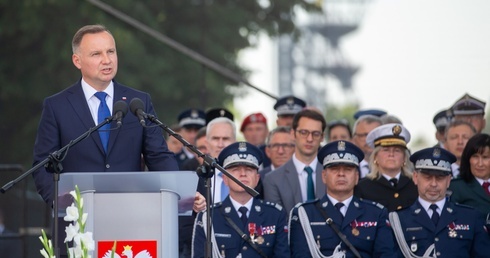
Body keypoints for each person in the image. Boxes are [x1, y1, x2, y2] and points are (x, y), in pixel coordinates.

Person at [32, 24, 179, 205]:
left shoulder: (138, 102)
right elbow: (42, 165)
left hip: (130, 211)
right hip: (78, 216)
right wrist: (61, 203)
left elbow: (159, 156)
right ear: (77, 61)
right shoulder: (57, 106)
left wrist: (180, 192)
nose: (107, 60)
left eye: (111, 51)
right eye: (96, 54)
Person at [289, 140, 397, 257]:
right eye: (334, 169)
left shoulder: (376, 213)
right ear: (324, 176)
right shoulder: (305, 214)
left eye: (348, 169)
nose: (341, 174)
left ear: (356, 177)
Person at [192, 142, 289, 258]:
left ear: (257, 178)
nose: (243, 174)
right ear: (225, 179)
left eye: (249, 169)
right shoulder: (208, 217)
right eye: (235, 169)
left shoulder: (275, 215)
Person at [390, 147, 490, 257]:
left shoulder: (471, 217)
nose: (433, 184)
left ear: (448, 180)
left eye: (440, 178)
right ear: (415, 177)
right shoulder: (399, 219)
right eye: (427, 177)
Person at [263, 109, 326, 213]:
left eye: (315, 134)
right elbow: (278, 221)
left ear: (322, 137)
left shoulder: (332, 173)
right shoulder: (273, 179)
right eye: (304, 132)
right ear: (293, 134)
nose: (309, 139)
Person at [355, 123, 418, 211]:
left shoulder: (416, 184)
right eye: (386, 150)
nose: (391, 154)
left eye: (397, 150)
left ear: (404, 158)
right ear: (375, 157)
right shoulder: (362, 188)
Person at [448, 133, 490, 215]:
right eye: (475, 157)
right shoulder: (456, 187)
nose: (480, 164)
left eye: (485, 157)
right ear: (468, 159)